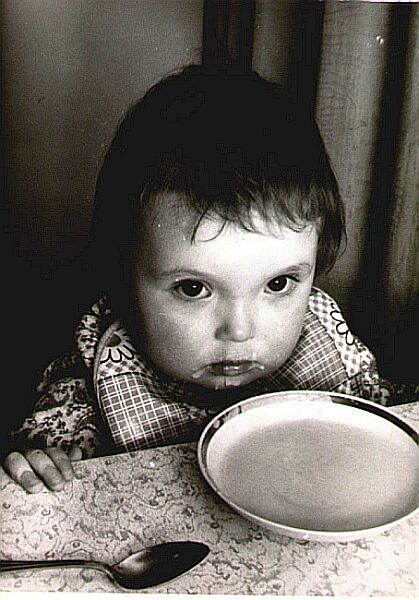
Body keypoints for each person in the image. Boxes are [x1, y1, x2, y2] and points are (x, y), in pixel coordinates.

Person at [2, 65, 413, 494]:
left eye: (277, 284)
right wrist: (41, 465)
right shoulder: (95, 368)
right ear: (123, 277)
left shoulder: (323, 340)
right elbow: (53, 464)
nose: (240, 330)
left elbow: (389, 418)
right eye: (193, 288)